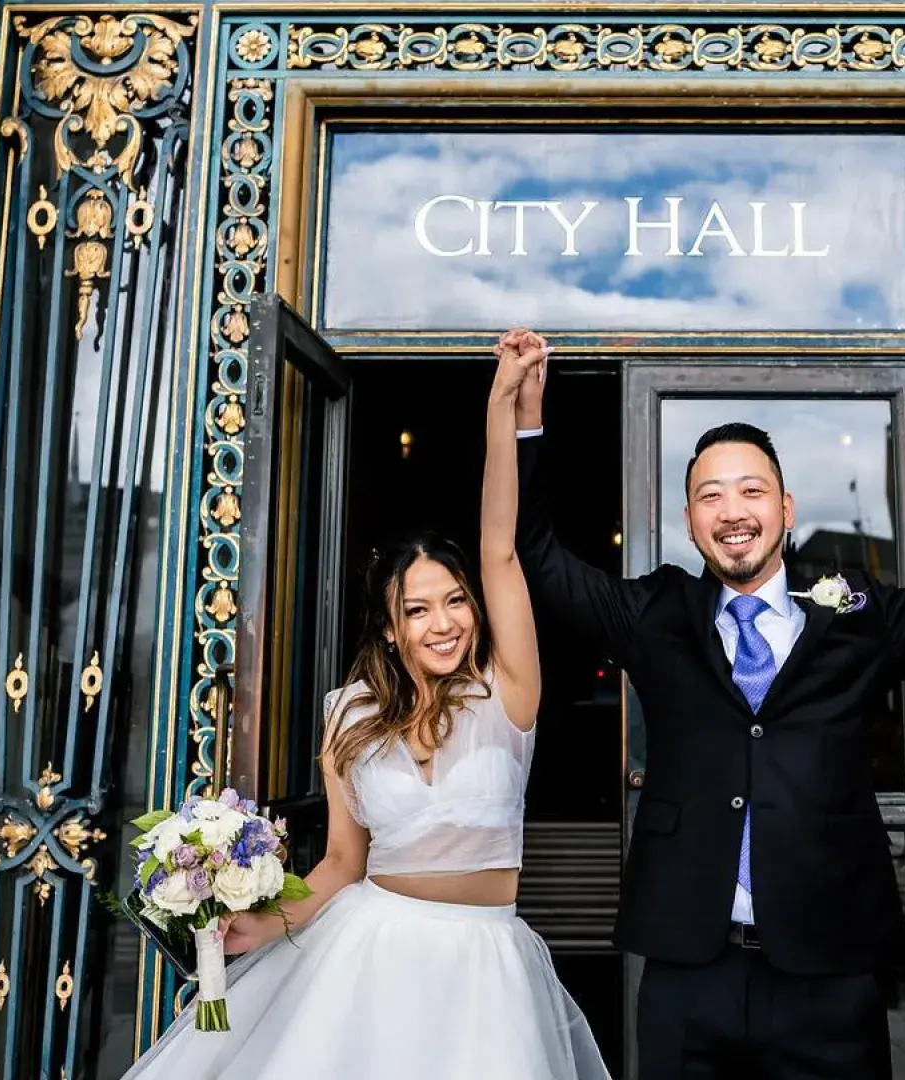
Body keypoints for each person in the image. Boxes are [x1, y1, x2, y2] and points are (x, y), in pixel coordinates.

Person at [497, 326, 905, 1079]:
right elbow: (535, 555)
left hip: (828, 974)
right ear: (692, 520)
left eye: (751, 489)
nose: (733, 510)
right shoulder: (654, 613)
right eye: (710, 495)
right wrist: (527, 416)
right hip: (687, 970)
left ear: (787, 508)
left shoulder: (859, 614)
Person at [119, 341, 608, 1079]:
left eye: (454, 602)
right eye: (417, 609)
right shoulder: (350, 717)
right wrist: (262, 920)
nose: (442, 623)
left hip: (484, 965)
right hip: (367, 954)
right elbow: (343, 862)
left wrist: (500, 408)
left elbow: (500, 550)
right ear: (390, 626)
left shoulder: (509, 696)